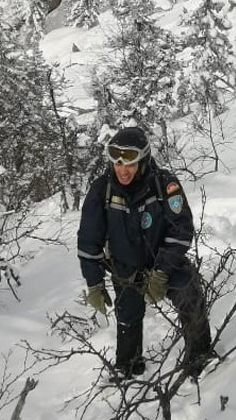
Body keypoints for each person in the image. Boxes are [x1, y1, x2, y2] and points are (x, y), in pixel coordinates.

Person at [77, 126, 213, 380]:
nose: (123, 170)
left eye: (129, 163)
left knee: (188, 291)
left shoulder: (164, 184)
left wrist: (161, 272)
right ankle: (129, 369)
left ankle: (200, 356)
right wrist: (94, 283)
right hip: (125, 269)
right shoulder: (101, 190)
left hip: (164, 263)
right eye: (117, 163)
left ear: (143, 160)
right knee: (127, 317)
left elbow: (181, 230)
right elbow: (88, 241)